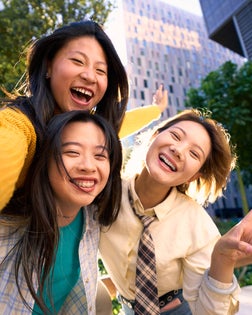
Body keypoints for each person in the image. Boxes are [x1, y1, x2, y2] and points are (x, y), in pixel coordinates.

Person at [0, 19, 167, 211]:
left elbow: (122, 124)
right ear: (48, 67)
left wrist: (156, 110)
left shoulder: (92, 130)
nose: (90, 76)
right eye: (78, 61)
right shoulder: (18, 125)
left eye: (100, 70)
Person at [99, 109, 252, 315]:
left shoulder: (196, 225)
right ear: (154, 136)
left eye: (194, 153)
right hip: (128, 308)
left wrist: (223, 259)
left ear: (193, 176)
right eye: (175, 135)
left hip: (180, 309)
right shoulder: (104, 192)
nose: (179, 150)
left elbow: (210, 310)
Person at [0, 110, 123, 314]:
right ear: (45, 159)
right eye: (72, 152)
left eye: (100, 155)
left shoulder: (91, 217)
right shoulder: (8, 225)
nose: (88, 166)